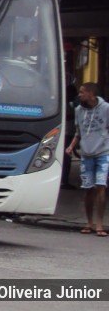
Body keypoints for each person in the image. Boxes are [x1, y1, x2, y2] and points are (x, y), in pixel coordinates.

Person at [65, 82, 109, 237]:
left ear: (91, 93)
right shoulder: (79, 110)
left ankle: (99, 224)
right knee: (87, 188)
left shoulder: (106, 109)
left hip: (103, 153)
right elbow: (79, 132)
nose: (79, 95)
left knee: (101, 186)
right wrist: (71, 147)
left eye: (82, 92)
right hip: (86, 154)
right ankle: (89, 222)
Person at [60, 83, 78, 189]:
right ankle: (63, 181)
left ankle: (64, 180)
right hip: (66, 134)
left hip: (69, 134)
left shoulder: (69, 104)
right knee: (66, 158)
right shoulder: (66, 105)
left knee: (66, 158)